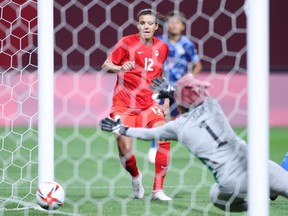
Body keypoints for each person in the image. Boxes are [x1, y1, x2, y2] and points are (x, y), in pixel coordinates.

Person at [100, 74, 288, 212]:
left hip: (231, 182)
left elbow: (148, 134)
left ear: (178, 103)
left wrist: (121, 129)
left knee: (217, 197)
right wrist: (173, 92)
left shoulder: (178, 127)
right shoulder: (212, 106)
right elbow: (196, 98)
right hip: (260, 166)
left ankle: (257, 206)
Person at [101, 9, 171, 201]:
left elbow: (160, 74)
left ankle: (158, 190)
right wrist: (119, 67)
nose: (146, 26)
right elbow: (106, 65)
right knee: (124, 150)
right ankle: (135, 176)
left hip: (148, 104)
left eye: (150, 23)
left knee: (164, 134)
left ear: (156, 27)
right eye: (142, 23)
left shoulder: (162, 47)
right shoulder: (126, 43)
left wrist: (165, 99)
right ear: (137, 25)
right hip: (124, 104)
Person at [148, 11, 202, 163]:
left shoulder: (187, 44)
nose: (174, 25)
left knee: (177, 119)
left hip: (179, 89)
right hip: (160, 86)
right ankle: (154, 148)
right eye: (171, 22)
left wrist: (190, 78)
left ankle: (195, 146)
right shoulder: (158, 41)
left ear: (183, 26)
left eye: (177, 22)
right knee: (158, 117)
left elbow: (197, 64)